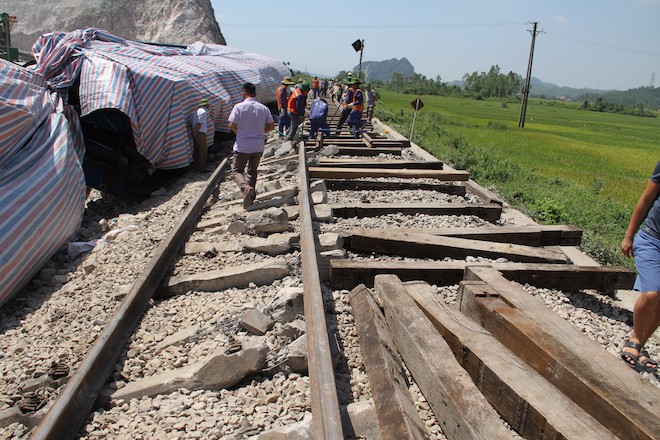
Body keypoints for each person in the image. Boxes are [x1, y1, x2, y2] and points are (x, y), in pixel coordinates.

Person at [620, 161, 660, 374]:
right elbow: (646, 199)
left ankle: (640, 345)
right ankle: (635, 337)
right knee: (653, 294)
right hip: (652, 240)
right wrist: (629, 235)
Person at [228, 83, 275, 208]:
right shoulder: (264, 108)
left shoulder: (239, 107)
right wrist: (259, 132)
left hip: (243, 145)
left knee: (237, 170)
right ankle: (250, 198)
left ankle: (245, 188)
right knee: (252, 171)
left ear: (243, 93)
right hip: (258, 146)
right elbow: (271, 126)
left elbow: (232, 125)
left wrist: (239, 132)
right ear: (255, 93)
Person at [191, 98, 210, 171]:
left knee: (197, 150)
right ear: (206, 105)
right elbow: (199, 124)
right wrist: (195, 133)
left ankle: (196, 166)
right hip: (200, 133)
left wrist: (193, 133)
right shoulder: (203, 112)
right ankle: (202, 167)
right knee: (203, 150)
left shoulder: (196, 111)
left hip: (196, 132)